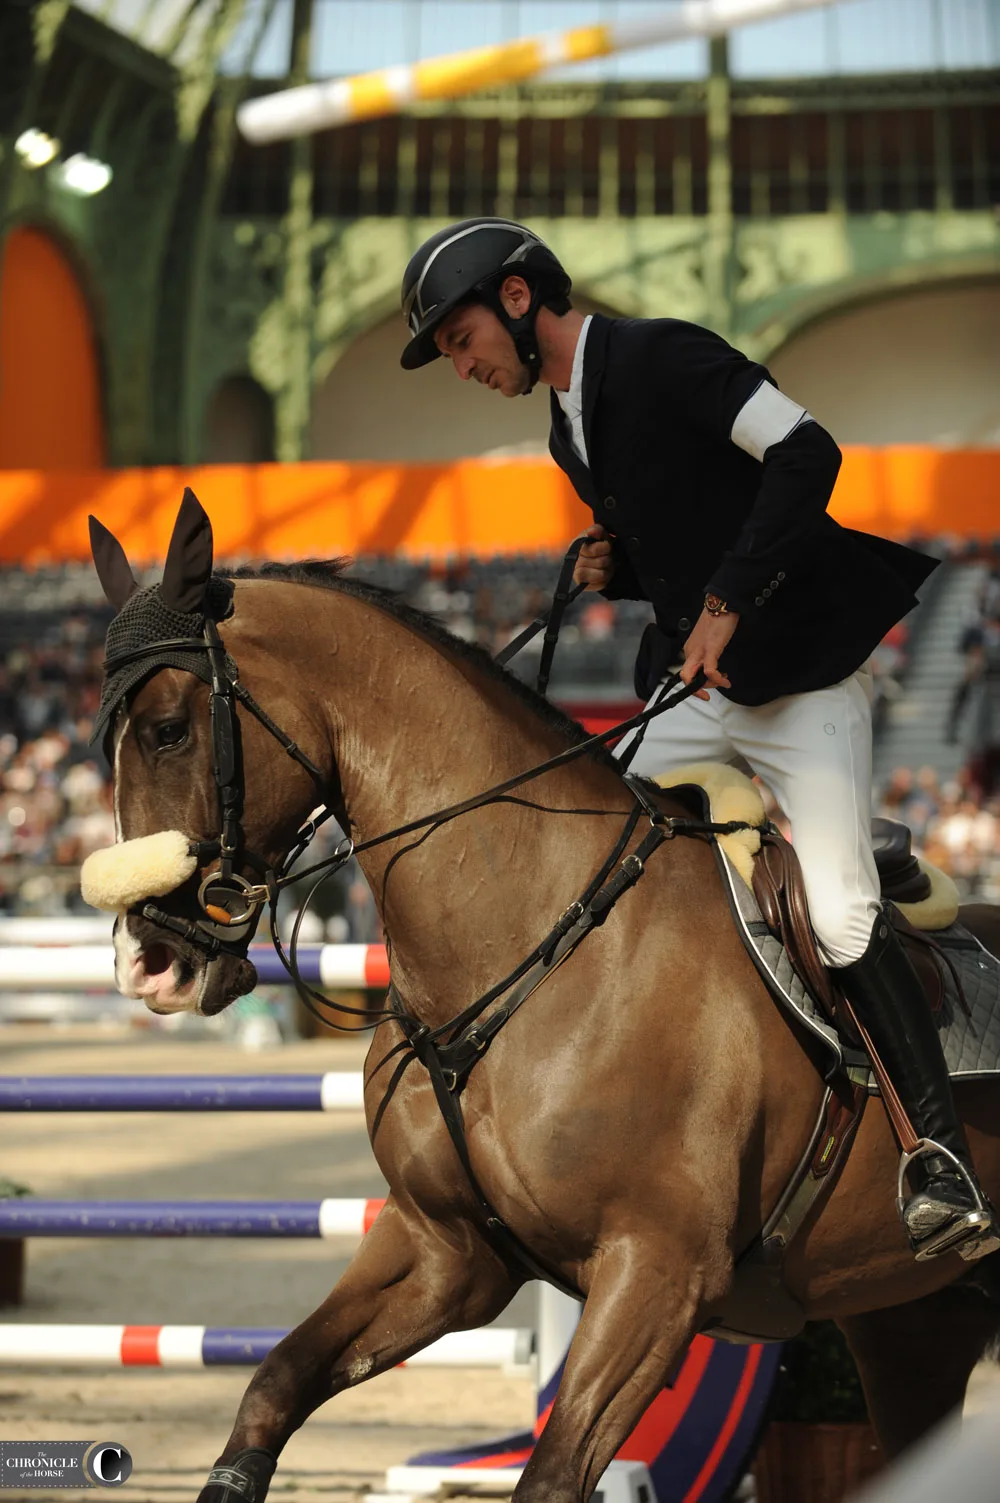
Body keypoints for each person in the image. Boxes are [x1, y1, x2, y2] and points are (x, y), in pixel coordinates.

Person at [398, 216, 999, 1263]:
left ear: (514, 297)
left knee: (848, 916)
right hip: (696, 686)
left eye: (457, 340)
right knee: (581, 848)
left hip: (803, 684)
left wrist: (725, 600)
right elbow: (689, 534)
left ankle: (935, 1157)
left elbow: (807, 453)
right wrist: (622, 572)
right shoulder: (563, 427)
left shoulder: (661, 353)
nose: (460, 365)